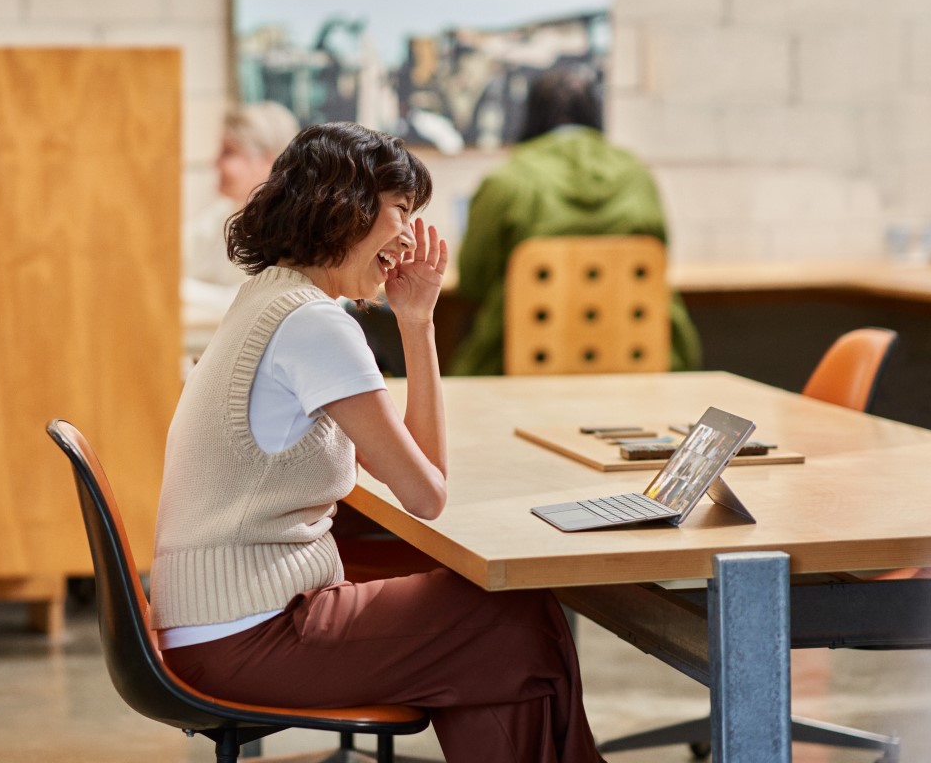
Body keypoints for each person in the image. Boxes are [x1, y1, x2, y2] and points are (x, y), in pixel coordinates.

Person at [151, 122, 606, 763]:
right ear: (346, 209)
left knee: (498, 637)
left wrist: (416, 322)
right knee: (508, 618)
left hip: (217, 619)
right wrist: (416, 325)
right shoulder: (313, 325)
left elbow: (421, 474)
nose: (409, 236)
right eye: (400, 211)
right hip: (246, 633)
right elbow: (428, 494)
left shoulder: (270, 298)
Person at [449, 62, 702, 376]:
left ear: (531, 116)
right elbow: (658, 259)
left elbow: (473, 282)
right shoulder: (638, 174)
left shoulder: (507, 180)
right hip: (641, 359)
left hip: (520, 362)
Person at [183, 101, 300, 330]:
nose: (215, 162)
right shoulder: (225, 213)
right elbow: (171, 257)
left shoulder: (291, 229)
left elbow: (254, 299)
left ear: (268, 161)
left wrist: (177, 288)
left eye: (228, 152)